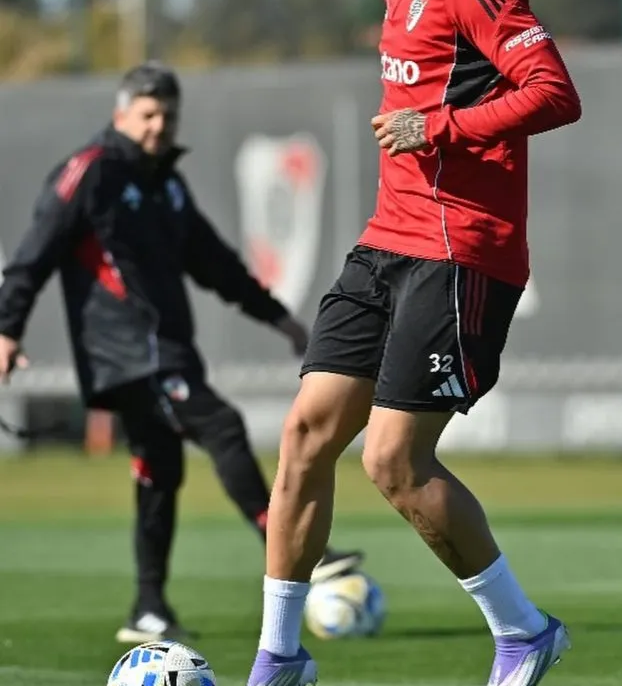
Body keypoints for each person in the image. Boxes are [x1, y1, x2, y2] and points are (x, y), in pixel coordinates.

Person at [222, 0, 583, 686]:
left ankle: (523, 630)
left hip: (461, 253)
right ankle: (279, 654)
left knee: (391, 460)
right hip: (386, 243)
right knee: (305, 435)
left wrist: (441, 128)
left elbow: (555, 92)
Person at [0, 62, 364, 643]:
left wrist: (278, 318)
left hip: (165, 350)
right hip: (127, 353)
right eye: (148, 114)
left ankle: (147, 609)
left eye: (168, 115)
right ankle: (298, 550)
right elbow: (33, 254)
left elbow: (215, 263)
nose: (159, 125)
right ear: (121, 114)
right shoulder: (90, 172)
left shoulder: (165, 183)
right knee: (222, 426)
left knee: (159, 472)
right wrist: (7, 329)